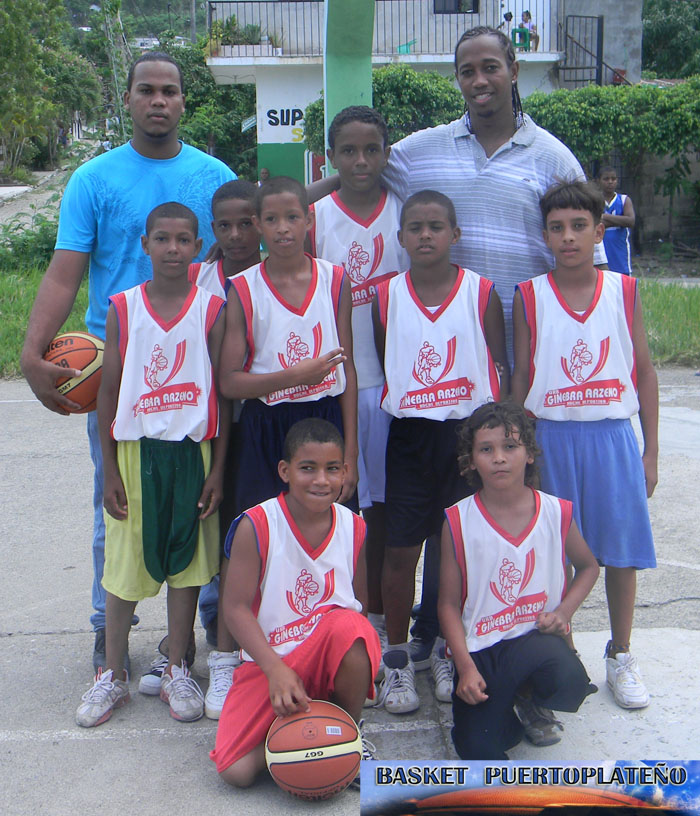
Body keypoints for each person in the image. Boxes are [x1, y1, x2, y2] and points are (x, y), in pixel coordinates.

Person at [20, 51, 235, 673]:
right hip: (117, 370)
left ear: (184, 101)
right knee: (112, 503)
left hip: (197, 364)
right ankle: (104, 629)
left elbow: (239, 254)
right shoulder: (94, 178)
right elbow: (66, 273)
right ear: (129, 99)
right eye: (147, 90)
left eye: (170, 90)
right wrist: (32, 352)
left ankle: (204, 629)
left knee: (203, 503)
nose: (159, 100)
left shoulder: (212, 172)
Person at [76, 202, 229, 727]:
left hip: (192, 450)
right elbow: (108, 391)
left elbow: (223, 398)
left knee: (187, 568)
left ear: (195, 245)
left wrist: (218, 469)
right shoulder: (123, 307)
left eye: (183, 240)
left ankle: (178, 667)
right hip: (136, 450)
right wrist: (110, 470)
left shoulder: (212, 308)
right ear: (145, 244)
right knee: (122, 569)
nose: (172, 249)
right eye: (161, 239)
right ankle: (112, 674)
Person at [512, 180, 658, 710]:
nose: (568, 237)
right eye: (557, 228)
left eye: (579, 226)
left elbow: (643, 371)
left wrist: (650, 450)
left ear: (600, 230)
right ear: (545, 234)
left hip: (612, 435)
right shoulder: (529, 294)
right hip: (550, 438)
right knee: (552, 555)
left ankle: (620, 654)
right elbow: (523, 378)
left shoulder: (623, 289)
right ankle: (558, 660)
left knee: (619, 553)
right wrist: (518, 453)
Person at [370, 190, 508, 715]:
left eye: (435, 226)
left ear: (456, 234)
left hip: (466, 438)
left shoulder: (481, 292)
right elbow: (389, 361)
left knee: (458, 552)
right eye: (415, 227)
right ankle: (399, 660)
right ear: (400, 237)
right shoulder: (387, 297)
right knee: (401, 550)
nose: (425, 235)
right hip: (410, 437)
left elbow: (498, 364)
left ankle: (453, 649)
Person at [139, 180, 262, 718]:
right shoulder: (200, 273)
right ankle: (185, 647)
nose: (236, 235)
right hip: (202, 423)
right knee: (208, 531)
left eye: (246, 223)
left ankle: (244, 640)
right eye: (225, 226)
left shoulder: (281, 267)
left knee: (243, 527)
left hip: (256, 418)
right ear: (210, 233)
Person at [210, 418, 380, 787]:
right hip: (269, 659)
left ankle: (347, 733)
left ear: (345, 472)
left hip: (326, 653)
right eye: (308, 468)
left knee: (352, 627)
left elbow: (359, 606)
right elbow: (235, 608)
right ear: (285, 471)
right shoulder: (256, 524)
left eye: (332, 469)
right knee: (235, 772)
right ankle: (302, 739)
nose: (321, 480)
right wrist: (275, 669)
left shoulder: (354, 526)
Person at [438, 401, 599, 759]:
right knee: (478, 748)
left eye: (510, 447)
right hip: (484, 650)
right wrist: (464, 667)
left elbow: (588, 566)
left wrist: (564, 613)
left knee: (568, 679)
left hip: (535, 639)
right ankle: (502, 713)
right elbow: (447, 604)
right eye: (486, 449)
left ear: (528, 454)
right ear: (471, 460)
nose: (499, 458)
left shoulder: (556, 511)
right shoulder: (458, 520)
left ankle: (530, 699)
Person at [309, 105, 409, 673]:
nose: (361, 161)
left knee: (389, 510)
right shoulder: (316, 215)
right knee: (345, 505)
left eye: (372, 149)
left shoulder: (405, 212)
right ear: (331, 158)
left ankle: (386, 618)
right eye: (348, 151)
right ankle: (348, 616)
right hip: (338, 384)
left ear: (387, 154)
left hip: (402, 387)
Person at [219, 175, 359, 517]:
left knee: (332, 530)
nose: (283, 228)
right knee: (261, 533)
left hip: (325, 417)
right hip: (266, 424)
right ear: (258, 225)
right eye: (271, 219)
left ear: (309, 220)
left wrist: (351, 456)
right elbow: (229, 382)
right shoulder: (242, 288)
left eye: (292, 218)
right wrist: (294, 376)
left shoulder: (335, 280)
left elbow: (347, 370)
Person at [598, 166, 635, 276]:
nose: (610, 182)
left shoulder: (624, 200)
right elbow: (594, 222)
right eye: (606, 179)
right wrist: (619, 220)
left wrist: (605, 217)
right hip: (601, 253)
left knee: (622, 286)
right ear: (598, 181)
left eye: (613, 179)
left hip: (620, 253)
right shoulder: (595, 201)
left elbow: (630, 221)